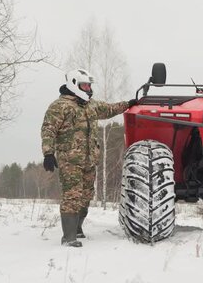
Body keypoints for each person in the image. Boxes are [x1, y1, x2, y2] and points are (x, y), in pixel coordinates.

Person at [41, 68, 136, 247]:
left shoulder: (91, 105)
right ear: (74, 84)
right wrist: (48, 153)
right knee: (72, 196)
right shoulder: (59, 106)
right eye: (85, 85)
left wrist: (129, 103)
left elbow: (109, 109)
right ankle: (68, 237)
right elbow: (48, 130)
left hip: (90, 159)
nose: (88, 88)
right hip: (70, 160)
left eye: (89, 85)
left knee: (86, 195)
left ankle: (77, 228)